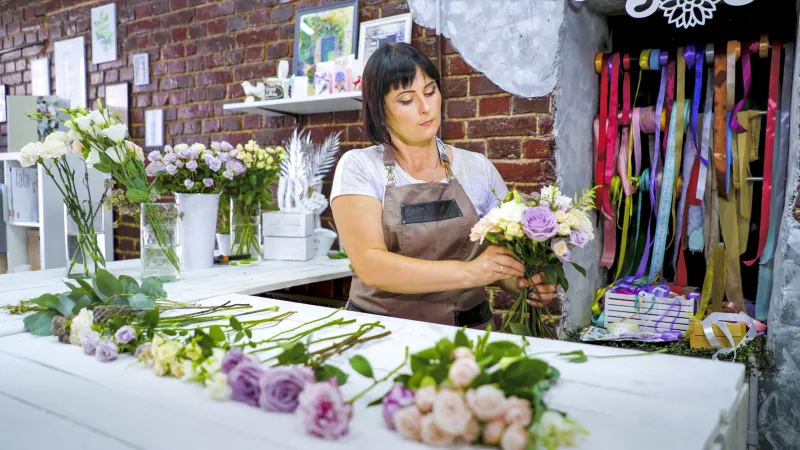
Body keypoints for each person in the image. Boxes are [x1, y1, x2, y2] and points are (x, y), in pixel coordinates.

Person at [330, 43, 555, 328]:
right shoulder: (359, 166)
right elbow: (371, 265)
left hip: (468, 333)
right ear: (380, 110)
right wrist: (471, 273)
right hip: (381, 331)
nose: (425, 108)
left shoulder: (477, 168)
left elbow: (502, 262)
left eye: (430, 91)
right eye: (406, 100)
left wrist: (525, 282)